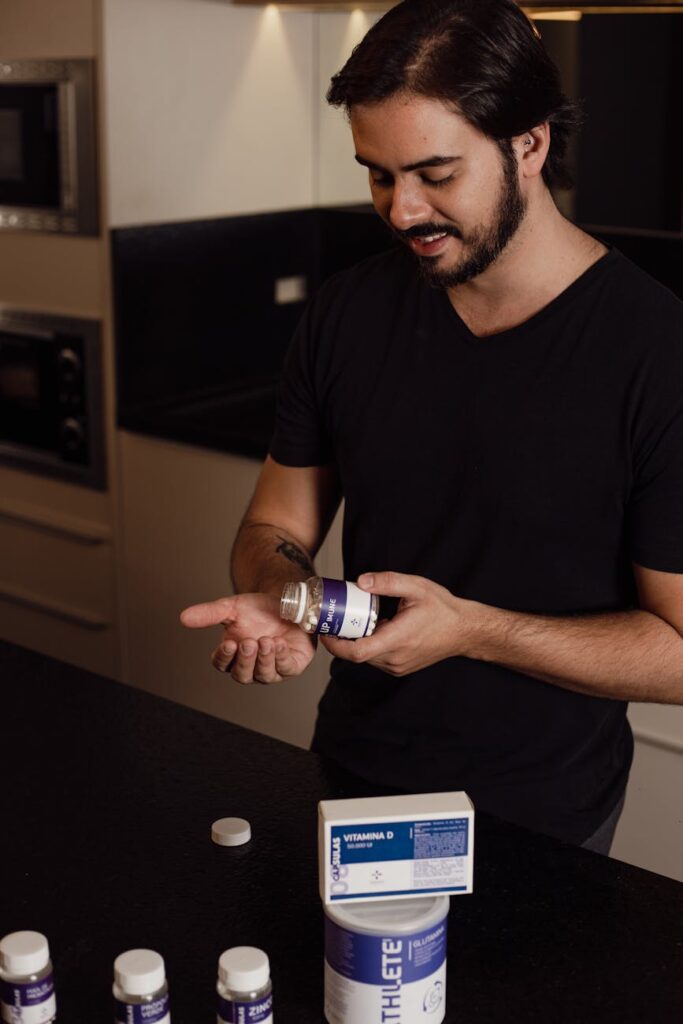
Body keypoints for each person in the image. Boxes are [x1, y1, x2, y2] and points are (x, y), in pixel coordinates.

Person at [181, 0, 683, 852]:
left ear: (528, 145)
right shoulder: (346, 313)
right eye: (378, 175)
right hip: (350, 777)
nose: (402, 210)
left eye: (435, 174)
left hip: (543, 816)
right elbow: (273, 528)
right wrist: (292, 600)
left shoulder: (654, 350)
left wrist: (474, 632)